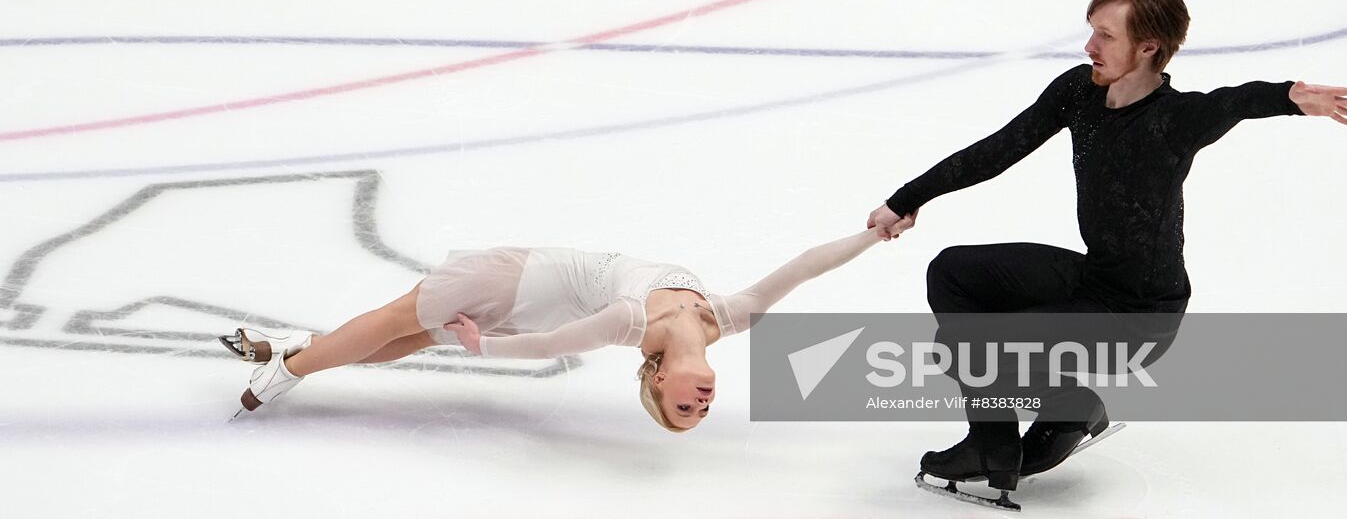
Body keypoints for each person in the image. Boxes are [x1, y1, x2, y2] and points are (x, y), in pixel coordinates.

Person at [866, 0, 1347, 494]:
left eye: (1106, 35)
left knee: (968, 349)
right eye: (1092, 31)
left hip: (1139, 317)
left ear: (1148, 47)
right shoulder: (1079, 92)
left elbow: (1233, 101)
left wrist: (1288, 96)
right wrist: (908, 199)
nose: (1090, 47)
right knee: (953, 272)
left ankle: (1062, 412)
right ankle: (1000, 439)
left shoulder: (1174, 120)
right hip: (1093, 278)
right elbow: (999, 149)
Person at [224, 228, 884, 431]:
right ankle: (293, 354)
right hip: (528, 286)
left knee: (400, 330)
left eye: (683, 406)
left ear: (658, 377)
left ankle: (291, 357)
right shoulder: (727, 317)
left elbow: (555, 344)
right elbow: (804, 266)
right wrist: (873, 234)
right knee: (400, 331)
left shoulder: (636, 323)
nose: (702, 402)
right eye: (701, 409)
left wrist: (490, 346)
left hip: (518, 292)